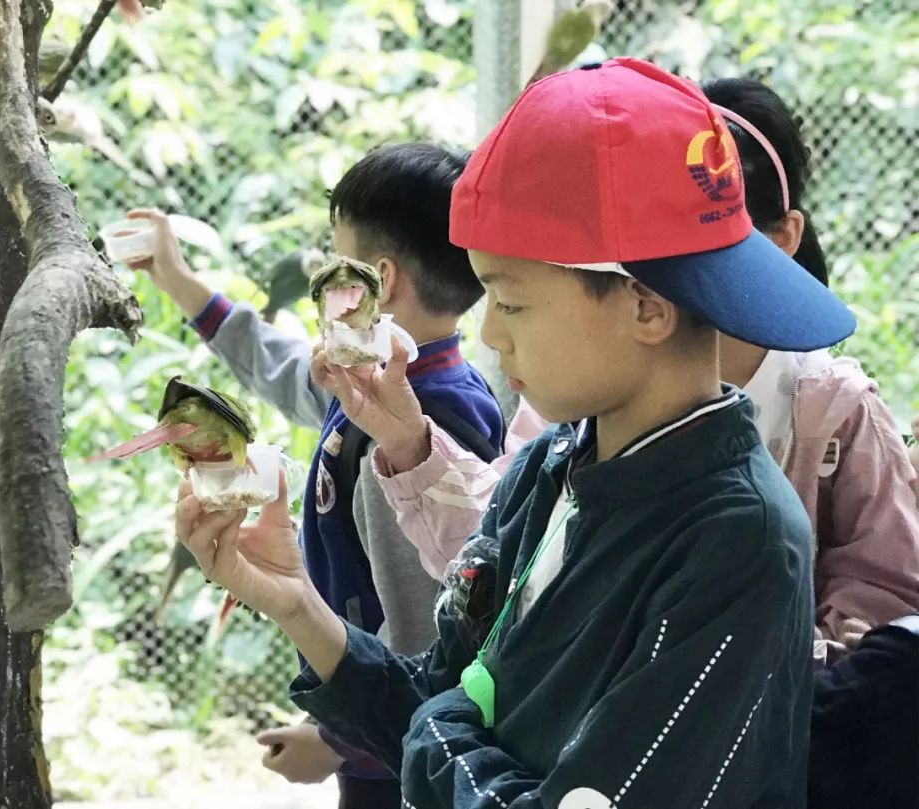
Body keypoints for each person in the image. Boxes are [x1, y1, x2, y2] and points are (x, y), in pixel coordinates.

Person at [175, 58, 857, 807]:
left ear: (646, 304)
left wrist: (442, 728)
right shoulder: (551, 466)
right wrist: (296, 601)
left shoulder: (738, 541)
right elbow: (440, 690)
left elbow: (448, 728)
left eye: (513, 301)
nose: (491, 334)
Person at [337, 76, 919, 665]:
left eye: (510, 303)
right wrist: (411, 443)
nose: (489, 333)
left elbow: (882, 629)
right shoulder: (569, 417)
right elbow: (500, 567)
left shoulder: (809, 440)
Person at [128, 143, 505, 807]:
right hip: (376, 725)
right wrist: (178, 280)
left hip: (405, 753)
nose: (324, 287)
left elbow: (432, 629)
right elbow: (282, 369)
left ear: (378, 282)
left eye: (334, 265)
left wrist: (338, 740)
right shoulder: (372, 378)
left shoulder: (425, 429)